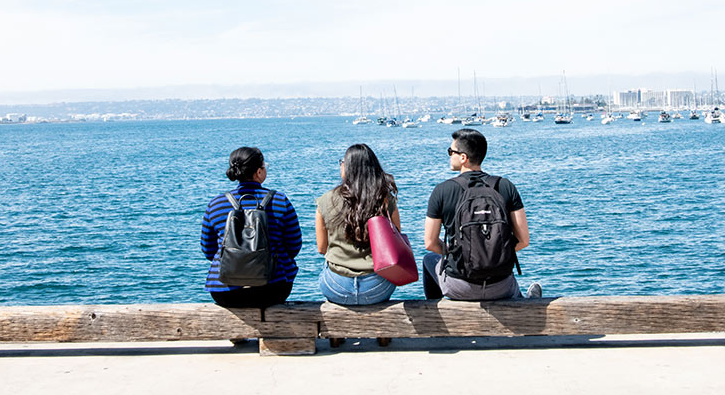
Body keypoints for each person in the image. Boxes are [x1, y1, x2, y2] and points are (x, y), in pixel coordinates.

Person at [422, 129, 539, 301]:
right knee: (514, 291)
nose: (449, 156)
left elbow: (430, 243)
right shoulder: (505, 186)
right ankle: (525, 301)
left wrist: (458, 253)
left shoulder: (442, 190)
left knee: (429, 260)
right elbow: (524, 240)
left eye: (450, 152)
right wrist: (493, 254)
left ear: (463, 158)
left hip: (460, 286)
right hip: (501, 286)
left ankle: (434, 315)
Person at [201, 147, 302, 308]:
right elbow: (294, 246)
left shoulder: (216, 204)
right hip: (272, 289)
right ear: (259, 171)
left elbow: (208, 250)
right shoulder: (279, 200)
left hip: (225, 292)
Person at [315, 143, 402, 306]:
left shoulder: (325, 200)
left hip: (336, 287)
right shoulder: (385, 199)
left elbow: (321, 248)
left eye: (342, 162)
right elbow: (396, 241)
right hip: (377, 287)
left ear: (348, 167)